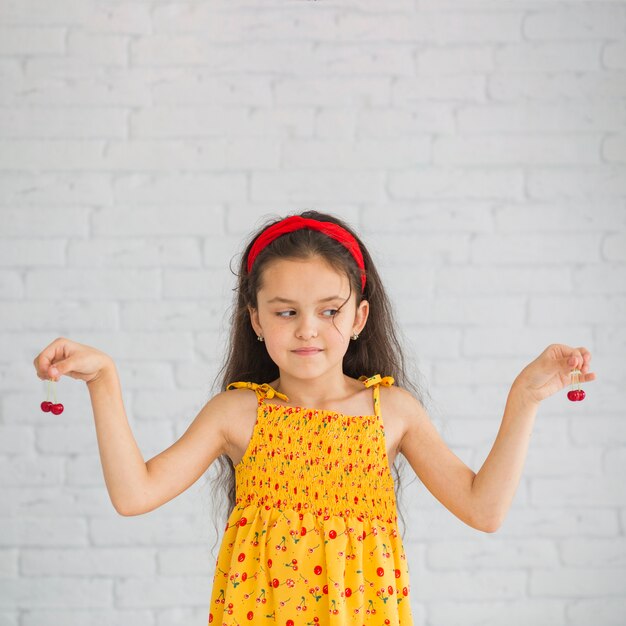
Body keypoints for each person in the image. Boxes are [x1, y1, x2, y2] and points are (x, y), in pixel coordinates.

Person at [33, 210, 596, 625]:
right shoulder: (238, 413)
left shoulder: (392, 411)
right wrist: (104, 379)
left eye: (329, 310)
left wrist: (525, 398)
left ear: (359, 316)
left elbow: (484, 509)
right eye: (285, 312)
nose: (307, 328)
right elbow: (135, 495)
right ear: (255, 319)